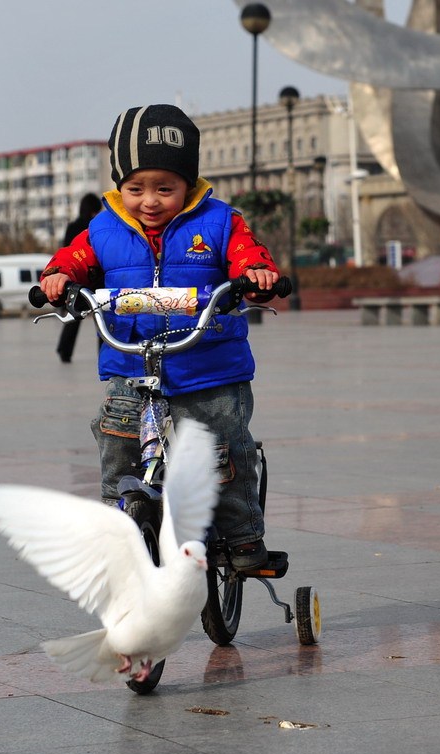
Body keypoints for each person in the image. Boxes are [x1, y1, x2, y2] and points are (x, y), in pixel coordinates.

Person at [40, 104, 279, 570]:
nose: (149, 200)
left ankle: (244, 536)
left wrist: (254, 272)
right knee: (117, 443)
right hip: (132, 365)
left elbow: (246, 253)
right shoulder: (104, 226)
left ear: (188, 184)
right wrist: (58, 276)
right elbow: (74, 257)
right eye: (135, 188)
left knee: (224, 453)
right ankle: (117, 525)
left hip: (208, 365)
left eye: (164, 188)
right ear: (118, 185)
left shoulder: (219, 221)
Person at [56, 193, 103, 362]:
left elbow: (66, 251)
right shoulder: (95, 226)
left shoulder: (72, 226)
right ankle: (103, 353)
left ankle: (64, 350)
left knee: (73, 318)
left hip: (76, 282)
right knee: (101, 319)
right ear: (93, 210)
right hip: (97, 281)